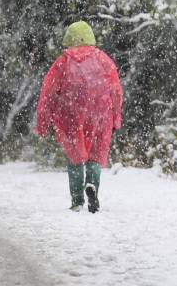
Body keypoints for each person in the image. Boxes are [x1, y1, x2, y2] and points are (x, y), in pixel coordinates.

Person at [34, 21, 123, 213]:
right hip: (100, 113)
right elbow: (116, 91)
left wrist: (43, 121)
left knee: (74, 155)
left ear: (69, 39)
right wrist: (116, 116)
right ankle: (92, 185)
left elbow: (48, 92)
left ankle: (77, 200)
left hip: (71, 115)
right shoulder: (104, 60)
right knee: (95, 154)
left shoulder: (63, 62)